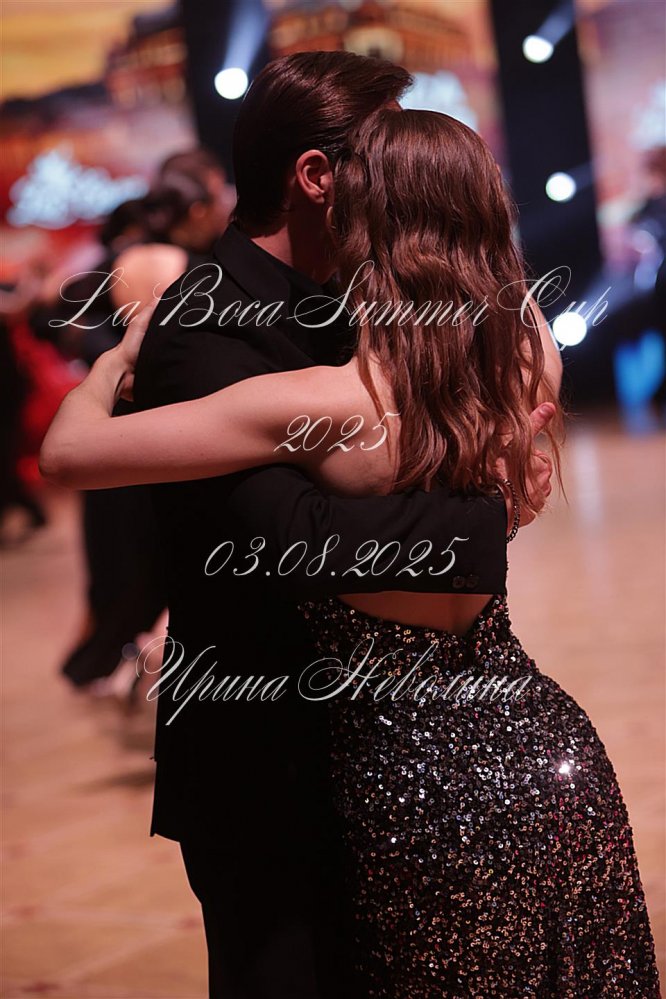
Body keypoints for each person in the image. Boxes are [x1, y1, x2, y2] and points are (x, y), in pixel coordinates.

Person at [41, 54, 568, 999]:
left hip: (396, 759)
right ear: (316, 175)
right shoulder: (203, 324)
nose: (400, 167)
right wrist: (490, 510)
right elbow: (299, 538)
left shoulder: (379, 302)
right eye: (382, 148)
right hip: (271, 769)